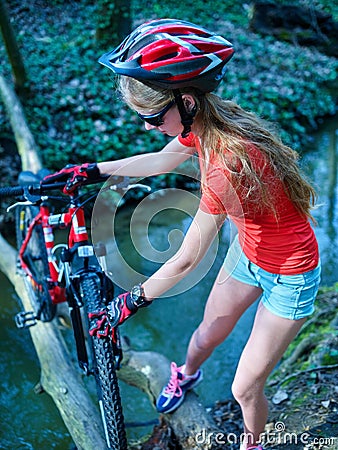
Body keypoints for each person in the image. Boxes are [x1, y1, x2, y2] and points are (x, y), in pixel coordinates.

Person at [44, 19, 321, 450]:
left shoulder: (226, 160)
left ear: (185, 101)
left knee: (245, 389)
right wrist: (92, 171)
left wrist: (129, 301)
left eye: (153, 117)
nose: (148, 126)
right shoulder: (204, 126)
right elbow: (160, 161)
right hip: (248, 255)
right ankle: (187, 373)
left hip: (291, 274)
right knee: (206, 333)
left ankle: (254, 443)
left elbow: (190, 256)